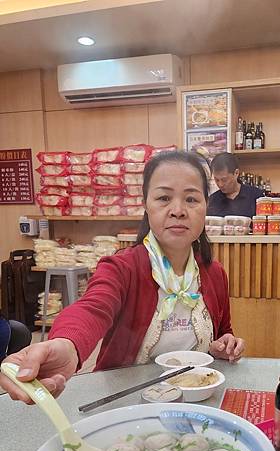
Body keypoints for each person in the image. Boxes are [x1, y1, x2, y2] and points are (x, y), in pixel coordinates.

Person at [1, 151, 245, 403]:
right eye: (163, 198)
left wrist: (223, 345)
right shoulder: (122, 267)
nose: (178, 210)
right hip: (126, 400)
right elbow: (92, 308)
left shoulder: (214, 273)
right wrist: (67, 344)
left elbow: (223, 331)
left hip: (196, 398)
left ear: (206, 206)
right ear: (146, 205)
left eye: (192, 199)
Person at [207, 152, 263, 218]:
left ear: (236, 173)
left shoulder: (256, 196)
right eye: (216, 180)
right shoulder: (212, 201)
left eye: (224, 180)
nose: (220, 184)